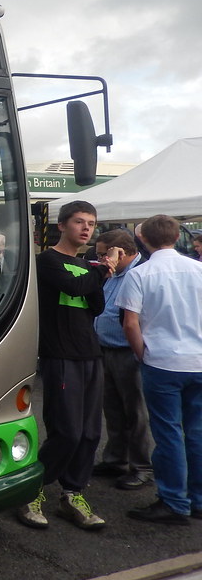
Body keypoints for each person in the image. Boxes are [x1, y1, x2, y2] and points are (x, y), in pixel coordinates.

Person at [16, 200, 119, 531]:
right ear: (61, 226)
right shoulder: (46, 261)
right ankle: (29, 491)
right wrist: (102, 270)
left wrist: (97, 273)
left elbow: (96, 305)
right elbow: (76, 287)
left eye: (91, 223)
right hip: (60, 355)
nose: (87, 228)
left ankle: (73, 494)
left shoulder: (88, 266)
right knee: (67, 432)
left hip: (90, 354)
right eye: (79, 222)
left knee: (90, 433)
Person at [118, 214, 202, 525]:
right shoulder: (199, 269)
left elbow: (130, 323)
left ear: (143, 239)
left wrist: (142, 354)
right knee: (196, 432)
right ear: (177, 235)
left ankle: (173, 501)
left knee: (168, 434)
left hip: (163, 362)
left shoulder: (141, 274)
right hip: (199, 361)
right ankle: (198, 499)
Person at [91, 229, 153, 490]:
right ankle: (116, 459)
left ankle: (142, 467)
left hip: (129, 353)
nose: (100, 258)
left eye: (104, 253)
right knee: (113, 409)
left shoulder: (140, 275)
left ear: (121, 252)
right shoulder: (114, 274)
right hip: (107, 350)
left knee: (136, 413)